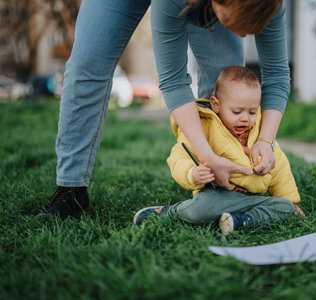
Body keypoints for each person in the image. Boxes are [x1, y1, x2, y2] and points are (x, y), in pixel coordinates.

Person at [37, 0, 291, 219]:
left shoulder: (271, 4)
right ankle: (70, 191)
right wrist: (208, 156)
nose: (244, 36)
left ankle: (224, 188)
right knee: (87, 64)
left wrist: (266, 141)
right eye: (238, 26)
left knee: (227, 84)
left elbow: (278, 74)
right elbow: (173, 80)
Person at [134, 66, 305, 234]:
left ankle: (241, 220)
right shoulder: (205, 129)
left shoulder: (260, 132)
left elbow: (279, 168)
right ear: (216, 105)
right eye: (237, 111)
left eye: (252, 112)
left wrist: (291, 200)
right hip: (218, 195)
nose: (245, 119)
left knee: (285, 207)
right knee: (201, 209)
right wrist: (192, 174)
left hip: (254, 198)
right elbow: (178, 157)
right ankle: (169, 212)